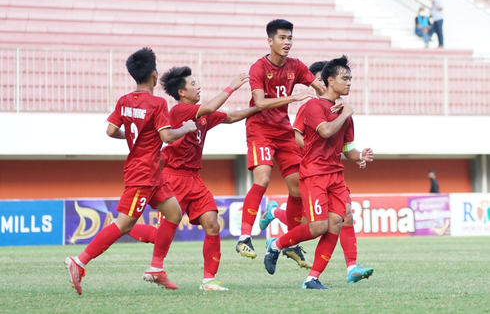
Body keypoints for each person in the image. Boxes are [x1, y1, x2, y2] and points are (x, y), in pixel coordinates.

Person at [64, 48, 197, 295]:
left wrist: (137, 138)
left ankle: (156, 268)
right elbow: (167, 136)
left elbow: (111, 131)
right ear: (154, 75)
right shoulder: (158, 103)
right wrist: (187, 128)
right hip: (143, 173)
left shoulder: (124, 101)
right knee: (124, 224)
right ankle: (79, 261)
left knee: (174, 213)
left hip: (150, 173)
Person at [127, 66, 257, 291]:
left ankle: (209, 280)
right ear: (182, 92)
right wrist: (232, 87)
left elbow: (233, 116)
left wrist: (260, 108)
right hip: (172, 177)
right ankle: (126, 226)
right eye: (194, 83)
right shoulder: (178, 111)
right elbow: (210, 106)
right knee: (163, 233)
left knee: (213, 225)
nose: (199, 87)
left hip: (195, 179)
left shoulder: (202, 115)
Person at [235, 19, 342, 268]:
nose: (287, 43)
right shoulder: (258, 68)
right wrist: (294, 96)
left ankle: (290, 244)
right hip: (260, 129)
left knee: (296, 188)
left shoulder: (296, 66)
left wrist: (332, 102)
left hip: (283, 131)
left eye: (290, 38)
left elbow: (319, 88)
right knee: (262, 179)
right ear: (270, 40)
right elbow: (260, 103)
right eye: (282, 38)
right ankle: (244, 237)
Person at [263, 55, 374, 290]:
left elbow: (348, 149)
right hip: (314, 174)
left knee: (338, 221)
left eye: (351, 78)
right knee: (317, 228)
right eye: (345, 78)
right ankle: (275, 245)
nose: (349, 82)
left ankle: (312, 278)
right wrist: (345, 114)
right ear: (330, 80)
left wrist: (360, 156)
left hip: (336, 175)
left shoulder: (345, 112)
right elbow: (323, 131)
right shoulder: (314, 106)